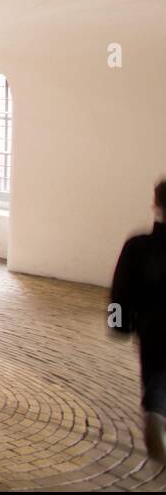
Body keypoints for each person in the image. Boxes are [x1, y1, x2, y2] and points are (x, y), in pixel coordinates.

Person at [110, 178, 166, 464]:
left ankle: (155, 413)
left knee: (156, 375)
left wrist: (119, 324)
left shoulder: (137, 246)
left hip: (152, 329)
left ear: (155, 205)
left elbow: (119, 291)